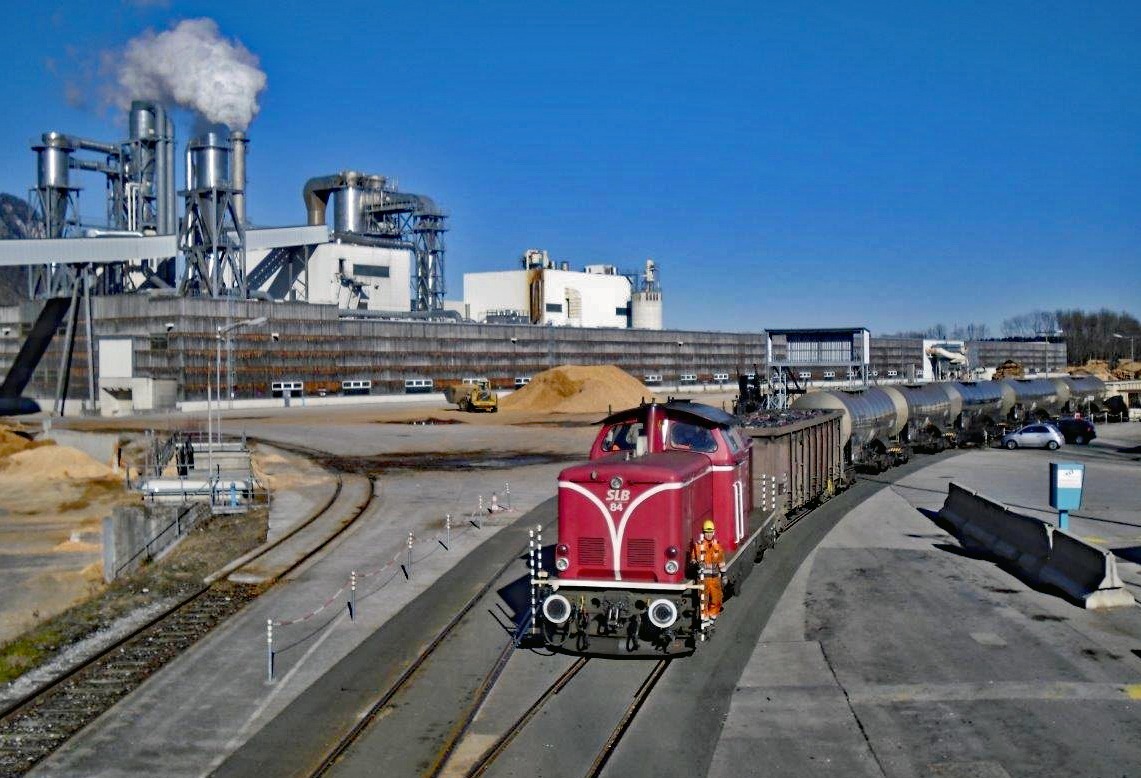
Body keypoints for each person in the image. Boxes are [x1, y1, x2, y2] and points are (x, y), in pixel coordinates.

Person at [690, 519, 726, 623]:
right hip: (703, 579)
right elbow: (692, 559)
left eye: (710, 532)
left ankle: (712, 618)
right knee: (703, 600)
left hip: (715, 578)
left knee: (717, 600)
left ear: (713, 532)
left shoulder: (717, 546)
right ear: (703, 532)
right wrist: (696, 564)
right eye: (706, 532)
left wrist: (724, 575)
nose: (709, 534)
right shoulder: (698, 545)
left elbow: (721, 562)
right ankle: (705, 620)